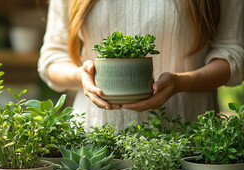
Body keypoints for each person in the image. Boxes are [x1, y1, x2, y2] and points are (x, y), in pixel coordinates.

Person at [38, 0, 244, 130]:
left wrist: (180, 83)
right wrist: (82, 76)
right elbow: (53, 58)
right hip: (95, 139)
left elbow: (232, 55)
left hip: (188, 134)